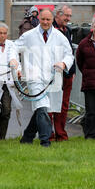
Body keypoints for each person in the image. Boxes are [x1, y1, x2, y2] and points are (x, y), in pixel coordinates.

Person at [13, 8, 74, 147]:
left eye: (48, 19)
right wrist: (16, 65)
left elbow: (69, 54)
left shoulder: (59, 36)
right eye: (43, 19)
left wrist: (63, 63)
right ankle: (45, 140)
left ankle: (27, 137)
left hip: (53, 78)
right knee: (41, 107)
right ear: (39, 19)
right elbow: (14, 48)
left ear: (53, 20)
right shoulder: (29, 35)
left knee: (44, 107)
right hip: (34, 77)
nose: (45, 22)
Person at [49, 4, 75, 141]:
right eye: (66, 15)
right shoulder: (50, 30)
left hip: (67, 73)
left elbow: (70, 52)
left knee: (64, 105)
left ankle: (61, 133)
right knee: (51, 105)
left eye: (70, 16)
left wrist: (73, 71)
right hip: (53, 73)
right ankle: (49, 134)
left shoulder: (68, 30)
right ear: (58, 15)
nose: (68, 18)